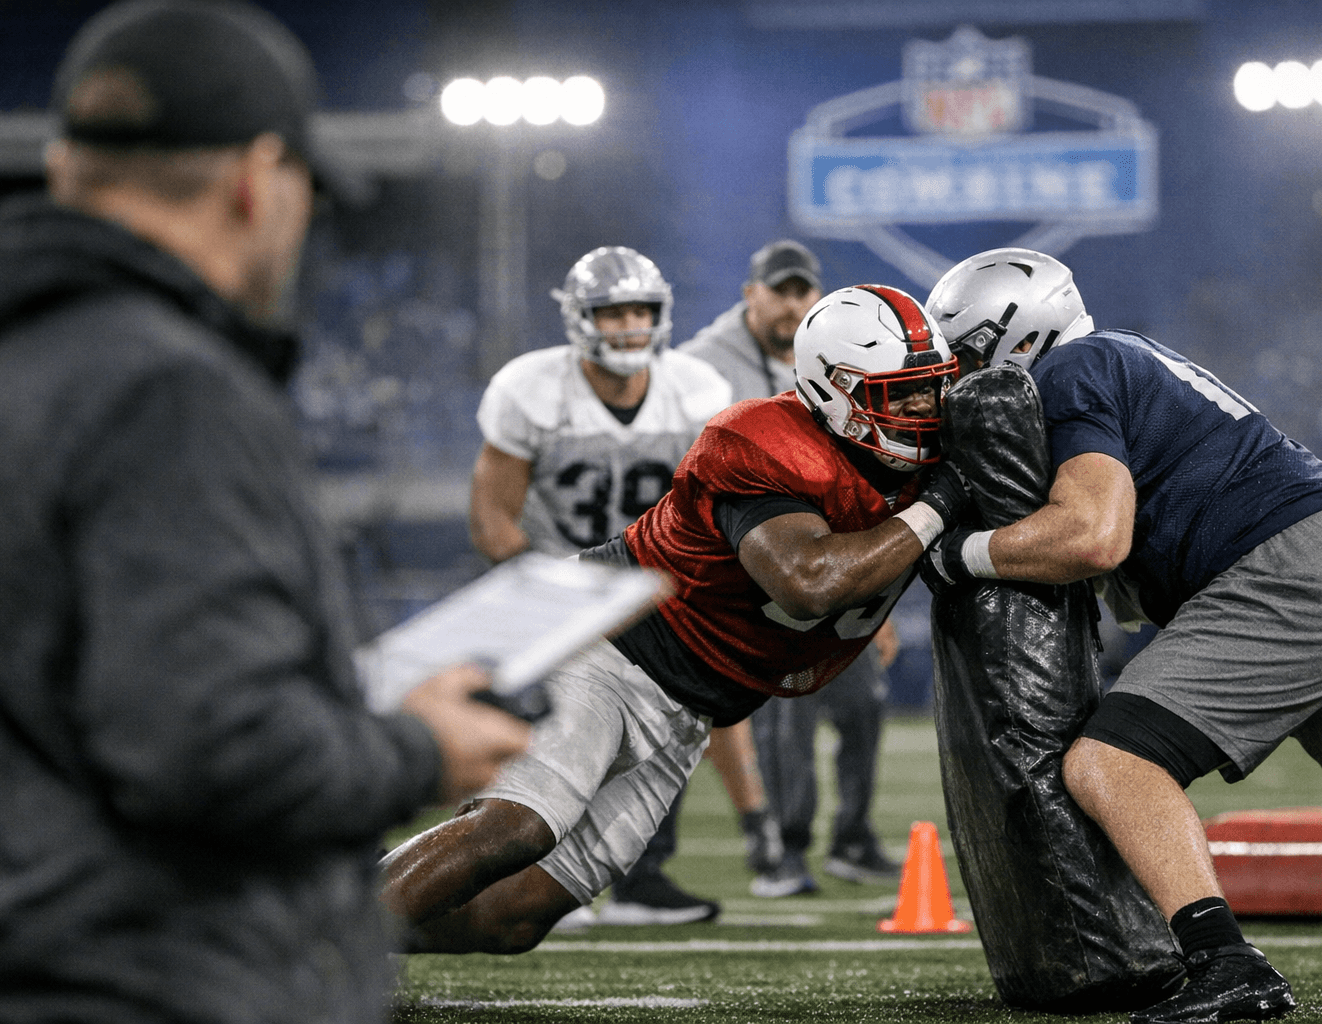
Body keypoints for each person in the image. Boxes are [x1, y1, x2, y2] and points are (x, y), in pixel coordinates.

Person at [0, 3, 530, 1022]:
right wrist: (415, 746)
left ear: (67, 165)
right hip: (143, 981)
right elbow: (214, 749)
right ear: (256, 177)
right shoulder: (166, 386)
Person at [380, 282, 970, 954]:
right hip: (610, 646)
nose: (926, 408)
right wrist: (941, 505)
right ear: (835, 389)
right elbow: (810, 582)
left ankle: (339, 937)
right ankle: (301, 961)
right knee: (514, 827)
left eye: (934, 386)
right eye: (903, 391)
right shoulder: (766, 440)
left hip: (691, 706)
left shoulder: (930, 455)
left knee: (510, 917)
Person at [922, 247, 1322, 1024]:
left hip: (1301, 566)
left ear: (1014, 339)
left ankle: (1228, 964)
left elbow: (1094, 537)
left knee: (1111, 763)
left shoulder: (1066, 372)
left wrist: (957, 554)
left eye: (961, 354)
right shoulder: (1122, 352)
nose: (953, 377)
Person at [468, 244, 743, 926]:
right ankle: (500, 871)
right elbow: (493, 518)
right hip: (552, 579)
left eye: (640, 311)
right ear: (579, 319)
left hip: (655, 589)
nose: (628, 326)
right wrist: (558, 593)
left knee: (668, 720)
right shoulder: (531, 388)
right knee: (533, 733)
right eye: (612, 312)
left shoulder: (696, 390)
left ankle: (639, 878)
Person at [679, 239, 903, 895]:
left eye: (804, 290)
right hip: (754, 572)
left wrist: (873, 596)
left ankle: (852, 839)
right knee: (786, 715)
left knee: (865, 703)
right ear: (750, 294)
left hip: (835, 567)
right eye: (780, 289)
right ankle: (784, 847)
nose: (793, 302)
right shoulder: (701, 369)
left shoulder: (839, 358)